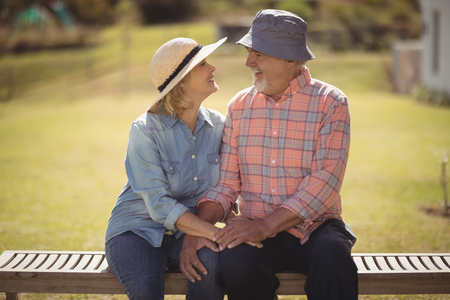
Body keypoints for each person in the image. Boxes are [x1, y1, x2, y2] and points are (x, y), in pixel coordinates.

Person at [180, 9, 358, 300]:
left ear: (290, 60)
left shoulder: (330, 102)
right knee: (235, 262)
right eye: (250, 53)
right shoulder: (240, 105)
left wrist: (265, 226)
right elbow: (225, 184)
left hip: (315, 228)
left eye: (258, 54)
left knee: (334, 256)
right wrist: (196, 229)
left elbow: (324, 183)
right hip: (254, 231)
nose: (249, 62)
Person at [104, 36, 228, 300]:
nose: (212, 68)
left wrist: (233, 221)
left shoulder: (220, 126)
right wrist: (215, 233)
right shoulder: (145, 130)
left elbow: (227, 187)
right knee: (147, 291)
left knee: (211, 263)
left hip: (190, 231)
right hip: (136, 230)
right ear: (181, 82)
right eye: (203, 64)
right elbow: (159, 204)